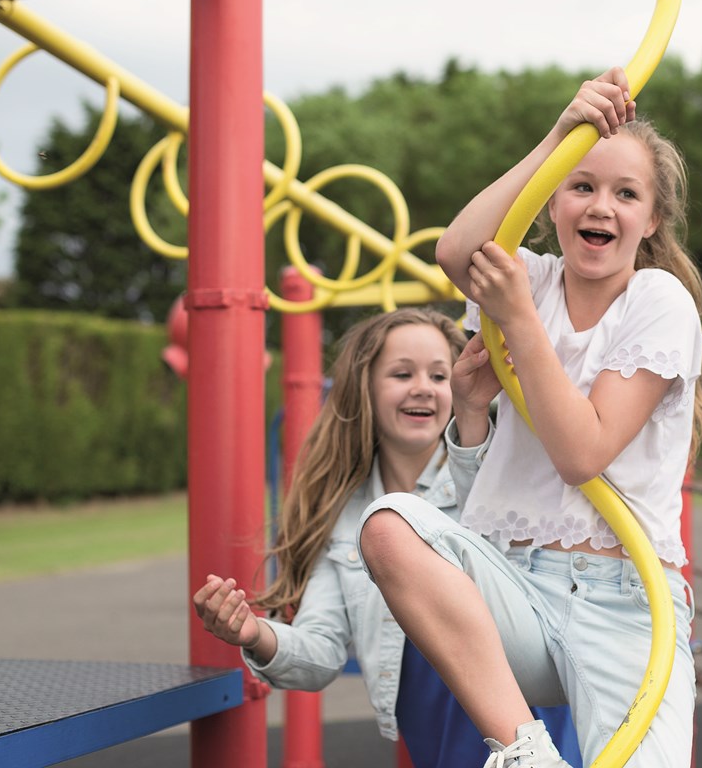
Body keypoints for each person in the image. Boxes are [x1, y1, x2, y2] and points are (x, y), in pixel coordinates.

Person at [356, 67, 702, 768]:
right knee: (390, 524)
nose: (599, 206)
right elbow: (456, 250)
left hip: (624, 604)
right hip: (514, 587)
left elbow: (583, 453)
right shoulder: (532, 279)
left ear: (652, 219)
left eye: (625, 193)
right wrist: (558, 133)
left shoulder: (657, 301)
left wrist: (517, 319)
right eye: (580, 185)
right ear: (550, 202)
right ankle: (524, 751)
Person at [192, 308, 581, 768]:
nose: (422, 386)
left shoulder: (497, 473)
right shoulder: (343, 517)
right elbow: (320, 652)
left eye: (439, 375)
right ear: (365, 390)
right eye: (402, 373)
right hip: (434, 732)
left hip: (528, 720)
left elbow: (526, 584)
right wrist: (254, 633)